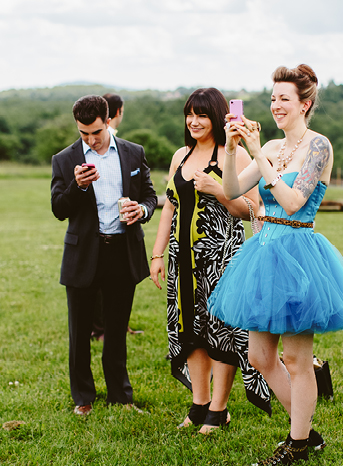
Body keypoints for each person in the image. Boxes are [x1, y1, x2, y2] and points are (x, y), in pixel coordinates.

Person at [208, 64, 343, 466]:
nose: (275, 106)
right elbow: (231, 190)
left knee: (297, 359)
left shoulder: (318, 146)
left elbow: (295, 200)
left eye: (284, 99)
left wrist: (258, 154)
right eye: (272, 99)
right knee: (261, 356)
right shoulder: (268, 148)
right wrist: (232, 149)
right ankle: (307, 431)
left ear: (305, 103)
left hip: (299, 252)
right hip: (265, 251)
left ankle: (297, 442)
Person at [149, 88, 270, 434]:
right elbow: (169, 208)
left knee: (221, 334)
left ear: (216, 117)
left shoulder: (233, 156)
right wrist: (158, 254)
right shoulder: (181, 156)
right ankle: (199, 404)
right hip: (181, 260)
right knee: (190, 332)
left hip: (222, 260)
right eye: (189, 114)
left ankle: (219, 410)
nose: (194, 121)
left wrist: (217, 188)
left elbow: (252, 209)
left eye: (201, 114)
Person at [51, 95, 157, 416]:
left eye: (95, 132)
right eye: (83, 133)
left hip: (122, 252)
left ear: (108, 120)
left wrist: (140, 209)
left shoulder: (132, 152)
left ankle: (120, 397)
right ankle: (83, 397)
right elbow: (59, 209)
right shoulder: (64, 159)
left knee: (115, 332)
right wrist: (77, 186)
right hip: (84, 254)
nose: (90, 140)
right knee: (80, 333)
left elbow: (150, 196)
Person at [101, 92, 143, 337]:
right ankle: (102, 327)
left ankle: (116, 326)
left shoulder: (132, 150)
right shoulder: (111, 140)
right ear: (117, 113)